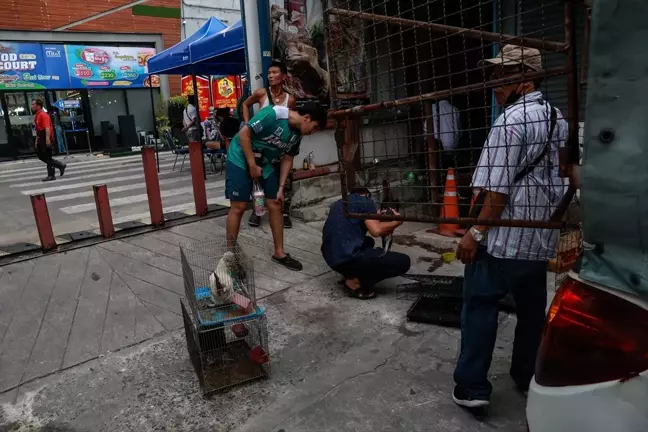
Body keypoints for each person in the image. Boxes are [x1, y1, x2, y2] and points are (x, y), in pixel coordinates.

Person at [452, 45, 568, 410]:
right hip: (539, 235)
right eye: (495, 76)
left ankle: (471, 387)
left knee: (481, 304)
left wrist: (475, 233)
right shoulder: (556, 117)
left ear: (526, 78)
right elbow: (564, 175)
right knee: (532, 309)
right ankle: (525, 374)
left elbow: (496, 192)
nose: (494, 84)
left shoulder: (510, 121)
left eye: (503, 76)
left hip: (504, 237)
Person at [225, 102, 327, 271]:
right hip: (241, 155)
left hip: (265, 162)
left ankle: (279, 253)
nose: (312, 132)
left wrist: (280, 187)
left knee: (276, 203)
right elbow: (244, 135)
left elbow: (288, 158)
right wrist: (251, 165)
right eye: (314, 127)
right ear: (307, 118)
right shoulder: (273, 115)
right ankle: (230, 256)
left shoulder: (297, 134)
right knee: (239, 206)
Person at [321, 188, 411, 299]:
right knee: (404, 261)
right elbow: (376, 231)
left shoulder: (340, 203)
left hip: (331, 257)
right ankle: (355, 282)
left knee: (368, 241)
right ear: (367, 195)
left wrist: (374, 215)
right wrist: (398, 221)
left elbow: (351, 225)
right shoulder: (365, 201)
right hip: (347, 258)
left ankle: (349, 273)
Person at [242, 61, 297, 229]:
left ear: (283, 76)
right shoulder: (261, 94)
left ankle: (285, 212)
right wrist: (247, 124)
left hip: (279, 145)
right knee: (257, 179)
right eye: (269, 73)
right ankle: (258, 210)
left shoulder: (290, 99)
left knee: (285, 178)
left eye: (274, 72)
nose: (271, 76)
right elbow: (245, 104)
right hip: (260, 146)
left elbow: (291, 121)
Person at [32, 99, 66, 182]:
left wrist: (47, 140)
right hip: (41, 137)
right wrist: (37, 140)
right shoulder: (37, 115)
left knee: (48, 157)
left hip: (46, 137)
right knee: (41, 156)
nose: (32, 106)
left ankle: (51, 175)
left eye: (33, 104)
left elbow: (47, 128)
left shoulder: (43, 115)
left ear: (38, 106)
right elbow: (37, 130)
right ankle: (60, 165)